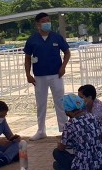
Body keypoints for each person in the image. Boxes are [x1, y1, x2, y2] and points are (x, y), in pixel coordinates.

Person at [24, 12, 70, 140]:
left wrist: (63, 67)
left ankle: (63, 128)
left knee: (60, 102)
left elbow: (67, 52)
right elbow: (27, 58)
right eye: (44, 21)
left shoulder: (56, 37)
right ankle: (41, 130)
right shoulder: (32, 39)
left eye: (48, 20)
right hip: (39, 76)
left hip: (56, 74)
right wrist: (28, 74)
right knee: (41, 103)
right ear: (38, 24)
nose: (47, 23)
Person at [52, 93, 102, 170]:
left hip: (81, 169)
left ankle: (66, 166)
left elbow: (62, 148)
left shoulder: (69, 124)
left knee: (56, 153)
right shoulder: (92, 117)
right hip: (100, 164)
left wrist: (59, 144)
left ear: (67, 111)